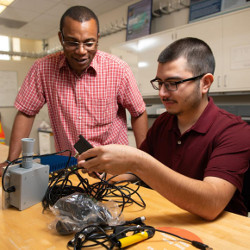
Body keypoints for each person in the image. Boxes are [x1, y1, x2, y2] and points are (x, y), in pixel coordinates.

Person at [78, 37, 250, 221]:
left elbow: (211, 203)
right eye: (160, 83)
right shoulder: (163, 123)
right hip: (168, 221)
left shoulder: (235, 132)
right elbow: (137, 173)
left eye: (173, 83)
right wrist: (108, 173)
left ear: (205, 83)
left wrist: (138, 161)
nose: (162, 93)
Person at [0, 6, 148, 174]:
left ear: (97, 38)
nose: (81, 51)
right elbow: (26, 112)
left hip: (111, 168)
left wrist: (143, 161)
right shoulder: (42, 69)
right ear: (60, 38)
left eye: (89, 43)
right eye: (72, 42)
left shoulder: (118, 69)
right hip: (70, 167)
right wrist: (11, 161)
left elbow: (138, 112)